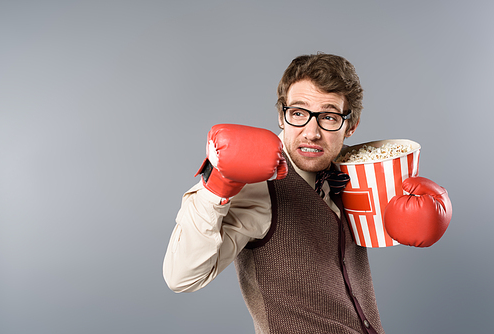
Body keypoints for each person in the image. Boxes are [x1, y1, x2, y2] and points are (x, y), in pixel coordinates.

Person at [163, 53, 451, 334]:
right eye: (298, 113)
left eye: (328, 117)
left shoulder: (358, 169)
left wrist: (425, 214)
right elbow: (182, 277)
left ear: (350, 126)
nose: (311, 132)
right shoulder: (256, 184)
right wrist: (216, 188)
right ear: (281, 116)